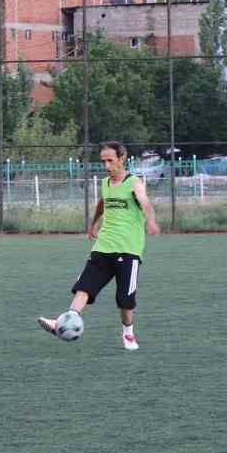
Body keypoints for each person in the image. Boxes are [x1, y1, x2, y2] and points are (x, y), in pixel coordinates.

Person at [39, 141, 161, 350]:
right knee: (84, 287)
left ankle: (128, 334)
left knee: (125, 298)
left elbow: (146, 203)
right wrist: (94, 224)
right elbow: (102, 203)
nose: (106, 165)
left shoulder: (134, 183)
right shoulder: (105, 183)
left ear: (122, 159)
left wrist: (150, 221)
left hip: (128, 249)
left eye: (110, 161)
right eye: (103, 161)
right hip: (103, 246)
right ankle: (62, 322)